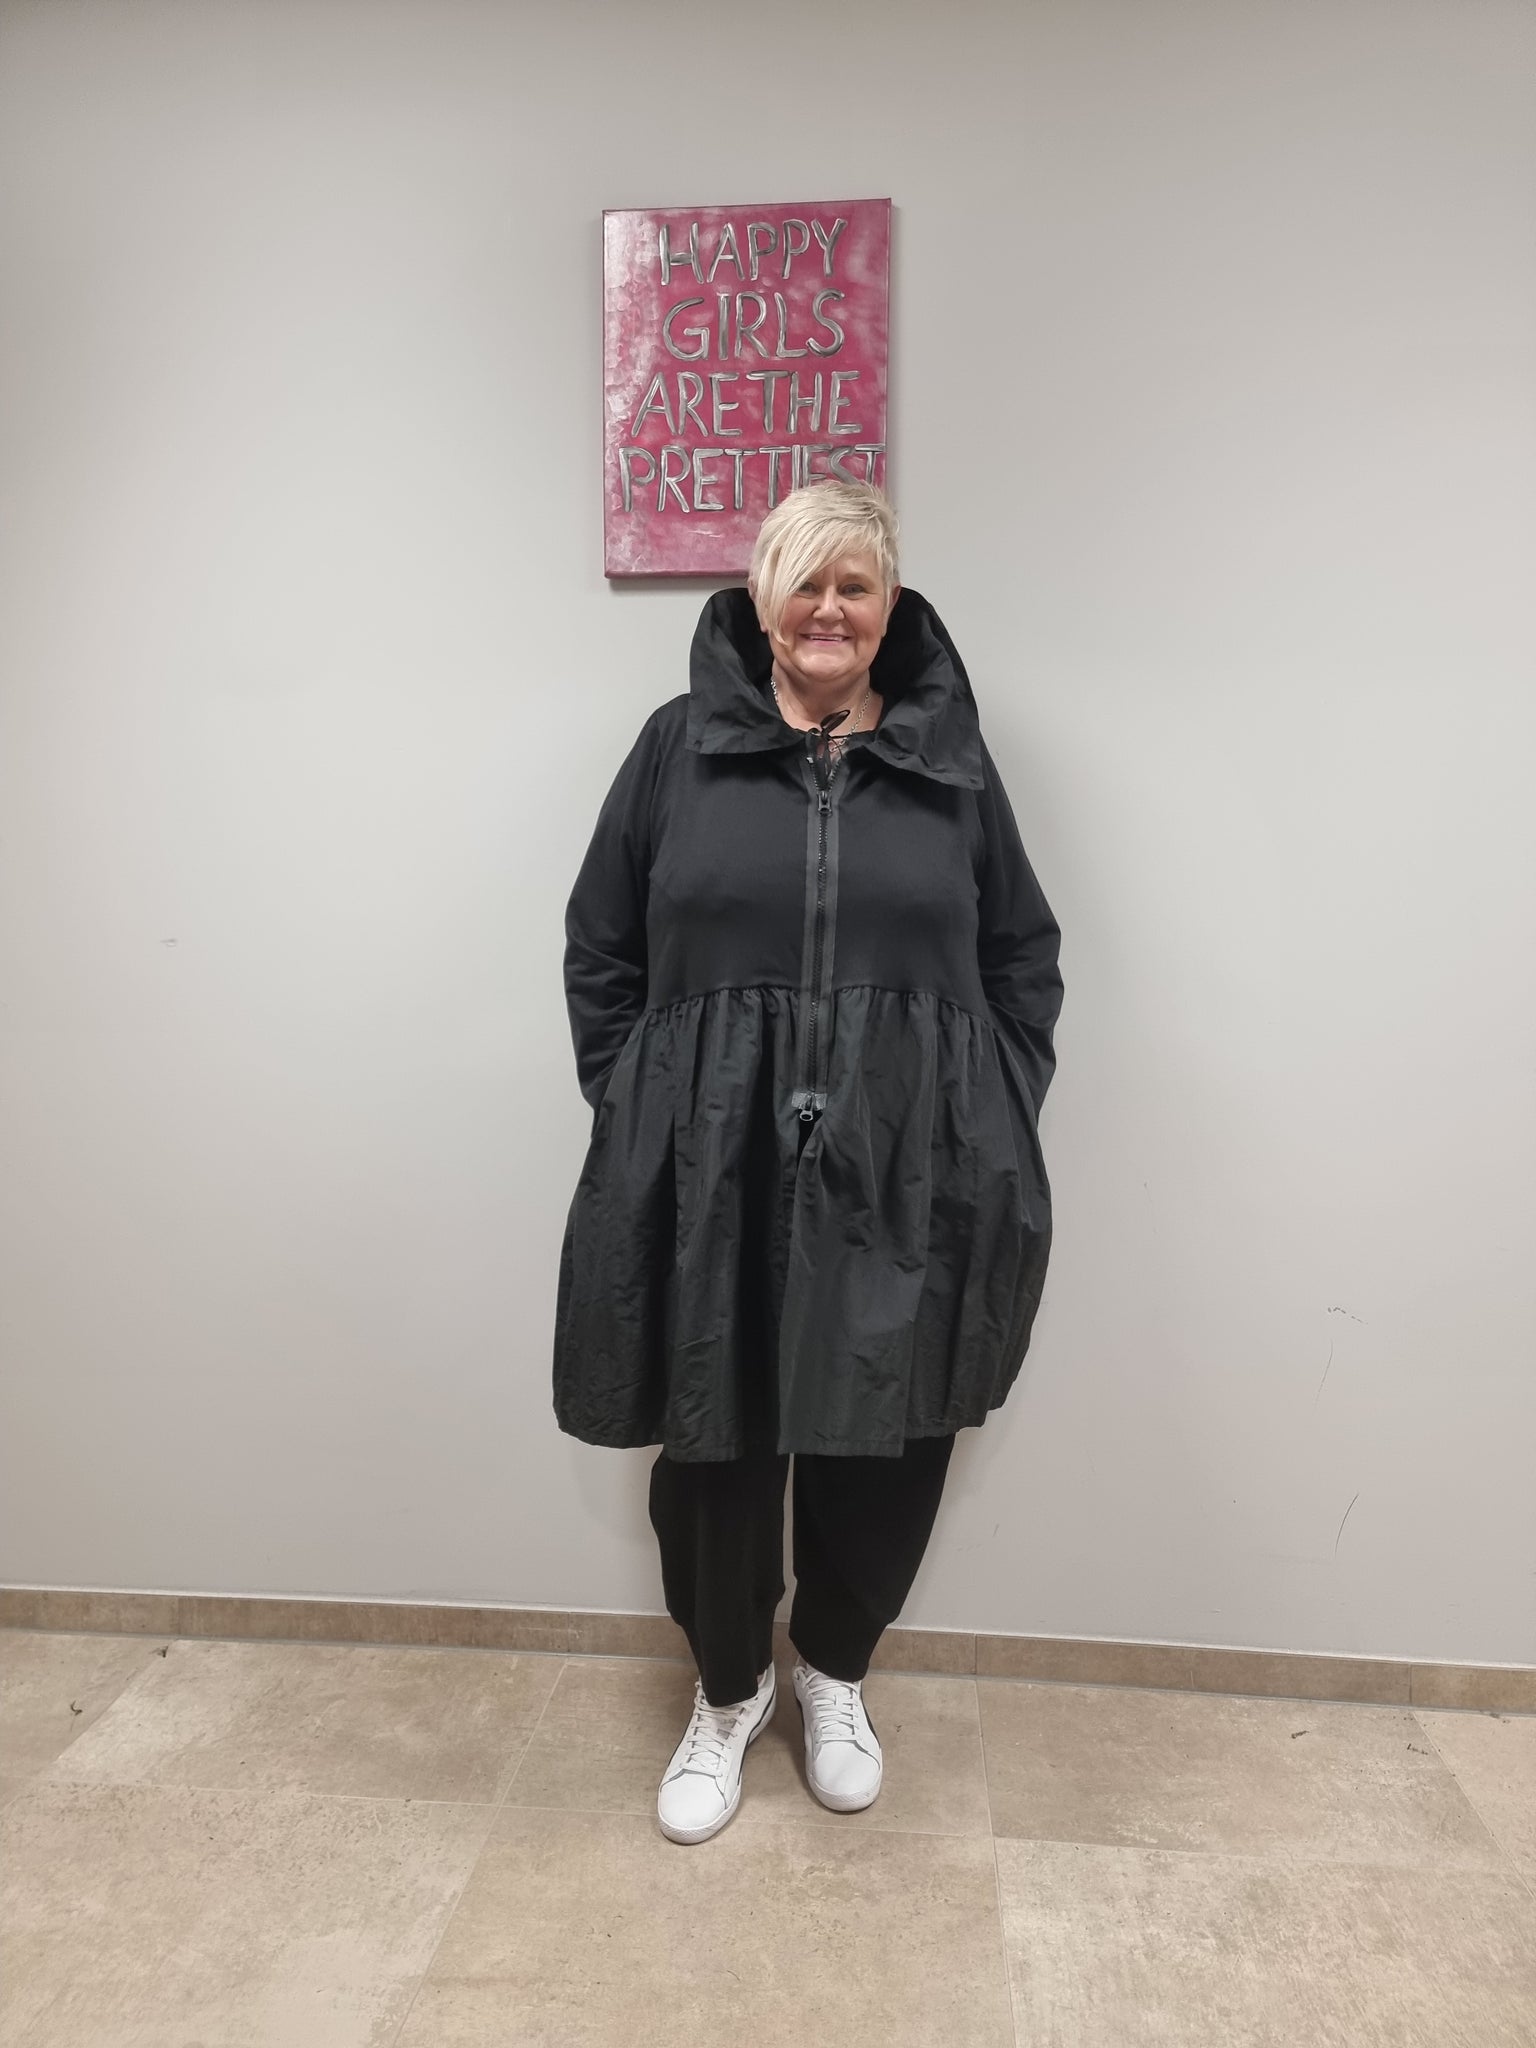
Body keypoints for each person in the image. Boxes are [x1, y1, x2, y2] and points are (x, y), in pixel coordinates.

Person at [555, 481, 1062, 1844]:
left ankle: (834, 1673)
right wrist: (642, 1102)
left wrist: (989, 1108)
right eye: (807, 582)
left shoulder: (951, 762)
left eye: (857, 585)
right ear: (763, 599)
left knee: (885, 1429)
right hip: (711, 1158)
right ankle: (728, 1693)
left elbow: (1020, 953)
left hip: (908, 1165)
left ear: (889, 607)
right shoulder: (675, 749)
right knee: (713, 1438)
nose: (830, 609)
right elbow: (602, 945)